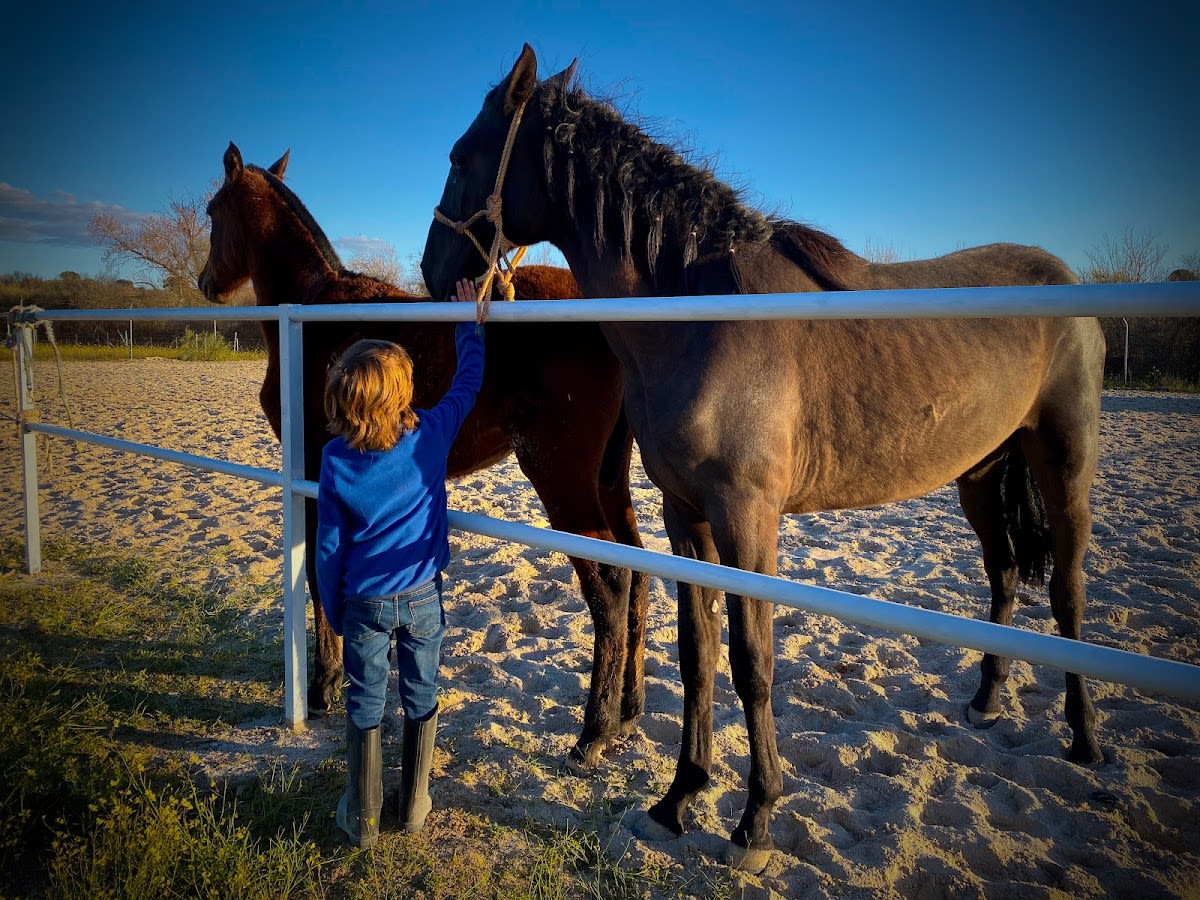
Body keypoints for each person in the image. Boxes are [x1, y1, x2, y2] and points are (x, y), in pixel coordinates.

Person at [316, 277, 484, 848]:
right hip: (422, 595)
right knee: (421, 689)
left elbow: (330, 548)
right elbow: (467, 384)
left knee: (364, 699)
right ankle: (413, 805)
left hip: (362, 600)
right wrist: (470, 324)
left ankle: (362, 818)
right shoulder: (429, 434)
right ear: (404, 393)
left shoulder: (334, 459)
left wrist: (335, 611)